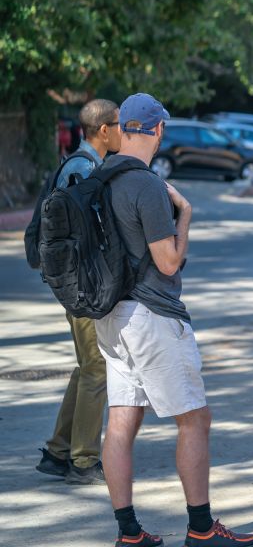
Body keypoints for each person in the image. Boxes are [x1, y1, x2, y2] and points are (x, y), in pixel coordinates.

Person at [94, 93, 253, 547]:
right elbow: (168, 262)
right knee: (194, 419)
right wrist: (185, 214)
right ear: (158, 130)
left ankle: (129, 534)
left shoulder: (100, 176)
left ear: (121, 128)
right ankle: (202, 529)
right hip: (151, 316)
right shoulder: (145, 184)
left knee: (122, 421)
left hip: (111, 318)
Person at [35, 99, 122, 485]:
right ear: (104, 130)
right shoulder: (83, 170)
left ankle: (57, 451)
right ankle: (83, 460)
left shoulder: (81, 165)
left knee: (87, 366)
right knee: (97, 368)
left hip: (77, 282)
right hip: (81, 284)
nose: (123, 132)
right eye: (119, 125)